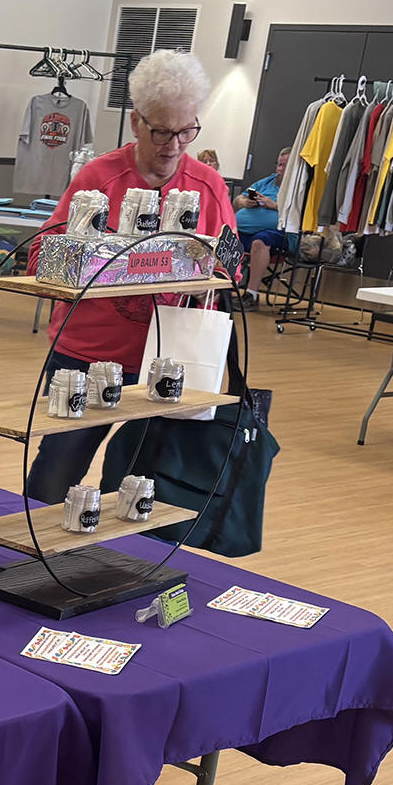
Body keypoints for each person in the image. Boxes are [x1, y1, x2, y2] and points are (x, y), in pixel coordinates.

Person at [26, 50, 236, 500]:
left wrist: (208, 267)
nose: (174, 146)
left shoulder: (208, 186)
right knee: (54, 476)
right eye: (161, 131)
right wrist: (102, 258)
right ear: (136, 122)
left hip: (170, 358)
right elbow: (40, 258)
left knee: (143, 490)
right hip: (87, 354)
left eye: (186, 131)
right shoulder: (98, 178)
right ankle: (26, 546)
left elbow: (231, 269)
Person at [234, 146, 290, 304]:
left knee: (260, 241)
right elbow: (237, 200)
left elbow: (301, 213)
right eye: (279, 164)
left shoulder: (299, 188)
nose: (280, 169)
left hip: (277, 234)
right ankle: (225, 289)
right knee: (224, 237)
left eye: (285, 165)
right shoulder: (267, 182)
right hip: (244, 231)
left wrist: (274, 205)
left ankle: (252, 294)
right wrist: (245, 202)